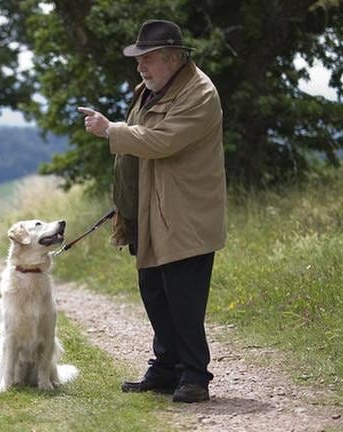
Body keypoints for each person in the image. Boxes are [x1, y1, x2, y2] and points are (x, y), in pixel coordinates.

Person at [79, 19, 227, 403]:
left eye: (148, 60)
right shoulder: (151, 89)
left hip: (184, 214)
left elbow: (162, 141)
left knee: (183, 298)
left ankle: (195, 376)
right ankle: (166, 369)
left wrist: (111, 130)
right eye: (138, 60)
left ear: (173, 58)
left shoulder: (200, 93)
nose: (140, 68)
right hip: (150, 208)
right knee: (155, 292)